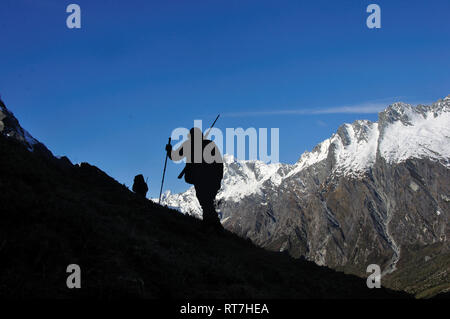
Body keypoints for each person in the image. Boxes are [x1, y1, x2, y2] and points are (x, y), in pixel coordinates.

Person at [165, 127, 224, 230]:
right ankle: (212, 225)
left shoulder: (189, 145)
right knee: (207, 201)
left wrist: (169, 150)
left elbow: (175, 157)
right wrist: (218, 179)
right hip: (211, 179)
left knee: (205, 201)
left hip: (199, 179)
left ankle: (212, 225)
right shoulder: (210, 144)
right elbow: (219, 164)